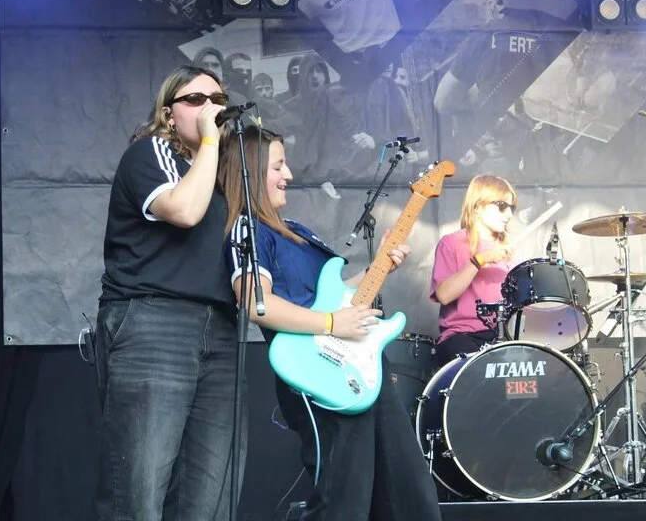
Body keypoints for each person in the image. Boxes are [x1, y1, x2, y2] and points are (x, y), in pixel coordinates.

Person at [218, 125, 443, 521]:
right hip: (318, 369)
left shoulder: (296, 231)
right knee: (344, 500)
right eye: (278, 166)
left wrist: (380, 266)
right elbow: (255, 303)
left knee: (408, 491)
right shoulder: (247, 228)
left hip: (362, 363)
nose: (288, 175)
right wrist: (330, 323)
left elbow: (336, 296)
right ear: (250, 171)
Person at [95, 65, 244, 521]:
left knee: (211, 494)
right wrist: (211, 141)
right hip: (154, 322)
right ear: (167, 113)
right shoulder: (151, 152)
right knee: (139, 489)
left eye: (218, 101)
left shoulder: (227, 176)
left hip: (220, 328)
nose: (210, 109)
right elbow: (183, 210)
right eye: (195, 100)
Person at [430, 174, 518, 369]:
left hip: (503, 336)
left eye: (512, 208)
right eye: (502, 206)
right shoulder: (451, 243)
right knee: (477, 370)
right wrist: (480, 260)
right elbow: (444, 295)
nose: (509, 214)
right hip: (462, 336)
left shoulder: (507, 251)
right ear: (477, 206)